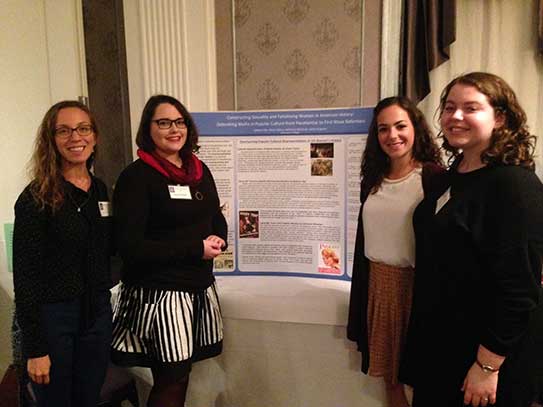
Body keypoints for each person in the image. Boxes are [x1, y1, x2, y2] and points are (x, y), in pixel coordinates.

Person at [400, 72, 543, 407]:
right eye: (449, 108)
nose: (456, 116)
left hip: (484, 359)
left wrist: (487, 365)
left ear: (500, 118)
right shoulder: (448, 179)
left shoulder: (514, 186)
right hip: (442, 347)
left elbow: (520, 290)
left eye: (471, 108)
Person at [110, 94, 227, 407]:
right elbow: (132, 247)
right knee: (171, 378)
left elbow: (215, 217)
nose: (174, 129)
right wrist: (195, 248)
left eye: (179, 122)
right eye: (164, 122)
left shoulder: (199, 171)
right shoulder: (135, 178)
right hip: (160, 294)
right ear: (148, 129)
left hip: (197, 288)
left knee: (181, 375)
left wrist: (219, 239)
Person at [12, 100, 113, 406]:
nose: (75, 137)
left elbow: (109, 249)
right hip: (54, 320)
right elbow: (25, 277)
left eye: (83, 129)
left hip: (96, 315)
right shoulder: (35, 198)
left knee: (88, 399)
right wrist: (36, 348)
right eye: (64, 131)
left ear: (94, 137)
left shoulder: (100, 190)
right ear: (51, 141)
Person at [347, 96, 444, 407]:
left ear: (415, 127)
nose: (393, 136)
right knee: (391, 379)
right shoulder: (373, 180)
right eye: (383, 129)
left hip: (419, 287)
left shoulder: (433, 179)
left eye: (400, 126)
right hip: (378, 285)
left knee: (426, 378)